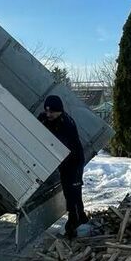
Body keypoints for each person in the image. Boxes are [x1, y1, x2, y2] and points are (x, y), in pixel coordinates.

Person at [38, 95, 88, 239]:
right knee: (69, 193)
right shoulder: (49, 118)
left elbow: (57, 144)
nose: (48, 115)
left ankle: (75, 225)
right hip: (65, 164)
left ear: (59, 110)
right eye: (47, 111)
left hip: (74, 163)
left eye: (51, 112)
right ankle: (81, 219)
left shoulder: (66, 124)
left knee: (73, 194)